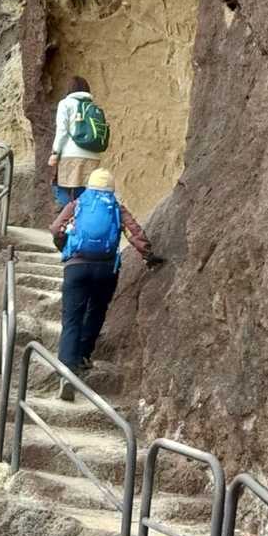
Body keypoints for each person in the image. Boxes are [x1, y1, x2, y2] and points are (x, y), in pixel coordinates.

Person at [50, 169, 158, 399]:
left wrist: (64, 248)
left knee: (72, 319)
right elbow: (134, 232)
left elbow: (56, 229)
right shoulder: (116, 207)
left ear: (90, 186)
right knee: (97, 311)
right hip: (106, 269)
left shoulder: (77, 204)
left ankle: (66, 373)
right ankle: (83, 356)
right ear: (111, 187)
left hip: (76, 267)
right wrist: (148, 255)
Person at [48, 76, 108, 206]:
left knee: (60, 188)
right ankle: (81, 215)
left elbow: (62, 130)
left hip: (71, 156)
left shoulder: (65, 104)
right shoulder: (93, 107)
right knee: (83, 190)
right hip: (93, 156)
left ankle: (71, 214)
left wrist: (55, 152)